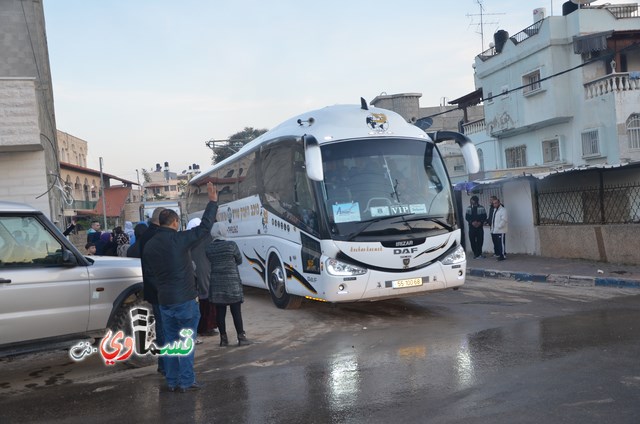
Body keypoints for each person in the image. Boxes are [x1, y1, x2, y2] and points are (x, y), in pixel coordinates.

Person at [143, 182, 218, 393]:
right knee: (186, 343)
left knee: (170, 342)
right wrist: (212, 202)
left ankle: (172, 381)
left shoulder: (149, 245)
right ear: (175, 222)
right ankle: (186, 381)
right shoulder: (179, 240)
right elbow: (204, 228)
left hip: (164, 300)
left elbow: (150, 275)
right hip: (184, 300)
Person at [206, 221, 249, 347]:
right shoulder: (231, 245)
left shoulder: (209, 248)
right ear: (224, 232)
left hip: (217, 284)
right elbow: (239, 260)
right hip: (232, 284)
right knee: (236, 311)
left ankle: (223, 339)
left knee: (220, 312)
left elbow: (210, 260)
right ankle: (241, 337)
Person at [137, 207, 166, 377]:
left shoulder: (147, 234)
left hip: (154, 288)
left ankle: (164, 363)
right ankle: (164, 364)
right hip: (160, 289)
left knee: (162, 327)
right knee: (164, 328)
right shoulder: (155, 236)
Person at [186, 218, 218, 338]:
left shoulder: (188, 239)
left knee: (199, 300)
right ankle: (205, 328)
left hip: (192, 273)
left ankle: (202, 328)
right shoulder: (205, 238)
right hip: (204, 272)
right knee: (206, 300)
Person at [489, 196, 508, 261]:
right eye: (493, 203)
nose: (495, 204)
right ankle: (500, 254)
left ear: (499, 203)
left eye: (496, 203)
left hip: (501, 230)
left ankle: (503, 255)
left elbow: (504, 220)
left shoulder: (503, 210)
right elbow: (493, 220)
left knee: (501, 243)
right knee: (498, 243)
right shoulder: (495, 210)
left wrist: (499, 226)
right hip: (495, 230)